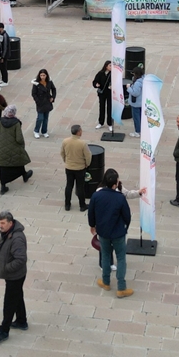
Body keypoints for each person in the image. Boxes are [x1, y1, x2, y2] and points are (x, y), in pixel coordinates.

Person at [89, 168, 133, 297]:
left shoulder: (97, 195)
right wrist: (125, 227)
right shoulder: (119, 198)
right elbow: (127, 215)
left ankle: (106, 282)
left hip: (103, 232)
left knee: (106, 255)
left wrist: (92, 226)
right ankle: (121, 288)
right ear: (115, 184)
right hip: (118, 233)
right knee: (121, 258)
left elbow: (91, 212)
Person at [0, 210, 28, 343]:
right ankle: (21, 321)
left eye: (3, 223)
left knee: (9, 303)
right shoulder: (7, 233)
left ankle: (4, 330)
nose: (0, 226)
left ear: (10, 223)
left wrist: (6, 269)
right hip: (13, 275)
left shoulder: (16, 238)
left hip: (15, 276)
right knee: (17, 296)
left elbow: (20, 259)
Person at [0, 105, 33, 194]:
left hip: (2, 147)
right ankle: (24, 175)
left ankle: (3, 186)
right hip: (14, 147)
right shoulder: (16, 123)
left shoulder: (1, 121)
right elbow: (19, 139)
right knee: (19, 161)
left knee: (3, 167)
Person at [61, 124, 92, 212]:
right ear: (78, 132)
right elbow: (88, 156)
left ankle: (67, 204)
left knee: (69, 185)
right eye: (81, 130)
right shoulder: (82, 143)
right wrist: (87, 164)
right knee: (80, 187)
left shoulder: (65, 141)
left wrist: (66, 161)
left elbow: (62, 153)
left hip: (69, 167)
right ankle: (82, 205)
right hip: (80, 168)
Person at [31, 69, 57, 138]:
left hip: (47, 102)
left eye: (44, 75)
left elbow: (54, 89)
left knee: (46, 118)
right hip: (40, 102)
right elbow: (33, 93)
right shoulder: (36, 84)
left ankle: (44, 131)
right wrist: (37, 101)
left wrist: (53, 97)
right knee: (40, 118)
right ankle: (36, 131)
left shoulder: (49, 82)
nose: (42, 77)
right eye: (41, 75)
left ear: (46, 75)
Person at [92, 60, 113, 129]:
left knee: (109, 108)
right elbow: (95, 81)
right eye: (110, 65)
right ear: (106, 66)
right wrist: (96, 84)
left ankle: (110, 123)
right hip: (102, 93)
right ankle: (101, 122)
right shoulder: (100, 73)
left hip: (110, 93)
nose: (111, 67)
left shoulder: (113, 74)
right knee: (102, 107)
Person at [127, 68, 144, 137]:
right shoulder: (143, 80)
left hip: (136, 103)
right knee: (140, 117)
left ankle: (137, 132)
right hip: (141, 102)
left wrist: (128, 88)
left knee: (136, 118)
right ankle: (141, 130)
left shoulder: (137, 83)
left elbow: (135, 93)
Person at [0, 23, 10, 87]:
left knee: (4, 68)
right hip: (1, 54)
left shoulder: (5, 35)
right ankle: (3, 79)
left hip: (4, 55)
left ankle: (5, 80)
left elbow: (5, 47)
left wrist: (2, 57)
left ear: (1, 28)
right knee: (1, 68)